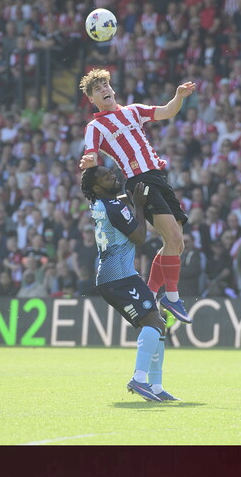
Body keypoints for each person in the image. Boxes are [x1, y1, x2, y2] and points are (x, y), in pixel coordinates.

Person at [77, 68, 194, 325]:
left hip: (159, 178)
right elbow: (92, 154)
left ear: (113, 89)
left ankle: (152, 293)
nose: (104, 90)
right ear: (92, 99)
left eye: (105, 85)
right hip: (139, 180)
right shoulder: (95, 126)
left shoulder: (133, 111)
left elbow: (166, 111)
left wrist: (179, 97)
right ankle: (171, 297)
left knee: (177, 244)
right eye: (97, 89)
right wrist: (88, 161)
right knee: (173, 239)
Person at [81, 166, 179, 402]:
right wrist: (140, 206)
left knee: (159, 323)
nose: (112, 176)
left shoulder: (100, 204)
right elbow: (140, 237)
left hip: (120, 276)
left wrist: (132, 197)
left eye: (110, 172)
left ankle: (155, 387)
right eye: (106, 177)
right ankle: (139, 379)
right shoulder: (114, 208)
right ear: (96, 187)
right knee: (154, 323)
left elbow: (113, 202)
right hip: (119, 278)